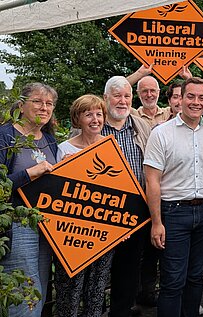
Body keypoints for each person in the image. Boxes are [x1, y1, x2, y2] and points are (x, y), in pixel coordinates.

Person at [145, 77, 203, 317]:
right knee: (173, 280)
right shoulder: (161, 133)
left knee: (196, 277)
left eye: (201, 98)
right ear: (180, 98)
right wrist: (157, 222)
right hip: (173, 213)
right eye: (191, 96)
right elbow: (152, 180)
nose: (196, 102)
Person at [0, 83, 58, 317]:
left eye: (49, 104)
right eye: (37, 101)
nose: (44, 108)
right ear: (21, 105)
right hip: (18, 224)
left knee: (40, 289)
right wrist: (29, 173)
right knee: (23, 291)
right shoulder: (6, 136)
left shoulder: (50, 140)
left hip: (46, 224)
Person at [54, 94, 109, 317]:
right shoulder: (63, 149)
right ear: (78, 119)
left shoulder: (110, 147)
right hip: (72, 232)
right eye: (89, 114)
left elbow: (120, 191)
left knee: (97, 288)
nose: (95, 119)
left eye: (99, 114)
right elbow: (55, 193)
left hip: (104, 230)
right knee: (70, 288)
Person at [101, 76, 150, 317]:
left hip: (136, 208)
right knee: (100, 267)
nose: (122, 101)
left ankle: (121, 311)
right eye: (117, 95)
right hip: (100, 210)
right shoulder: (93, 124)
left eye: (127, 96)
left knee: (129, 266)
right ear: (105, 98)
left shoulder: (142, 126)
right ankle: (95, 309)